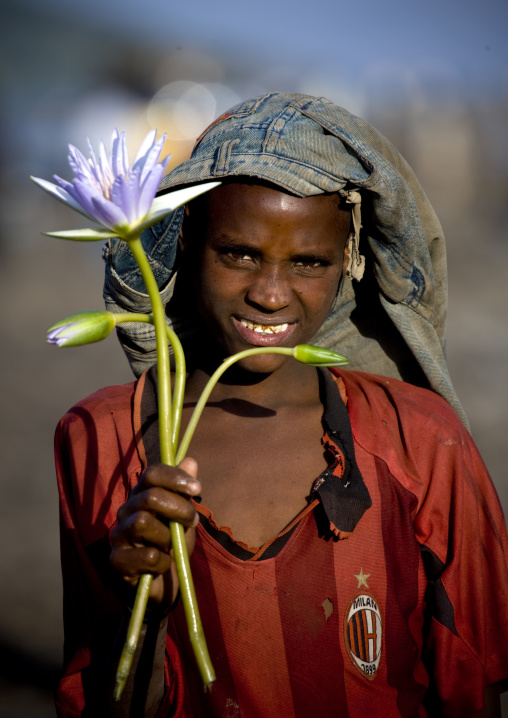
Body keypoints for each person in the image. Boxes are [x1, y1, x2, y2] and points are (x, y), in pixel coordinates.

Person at [54, 93, 508, 717]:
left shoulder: (423, 440)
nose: (270, 294)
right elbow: (101, 695)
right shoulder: (100, 435)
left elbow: (473, 685)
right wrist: (136, 605)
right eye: (238, 253)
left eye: (309, 262)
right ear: (184, 244)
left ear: (350, 263)